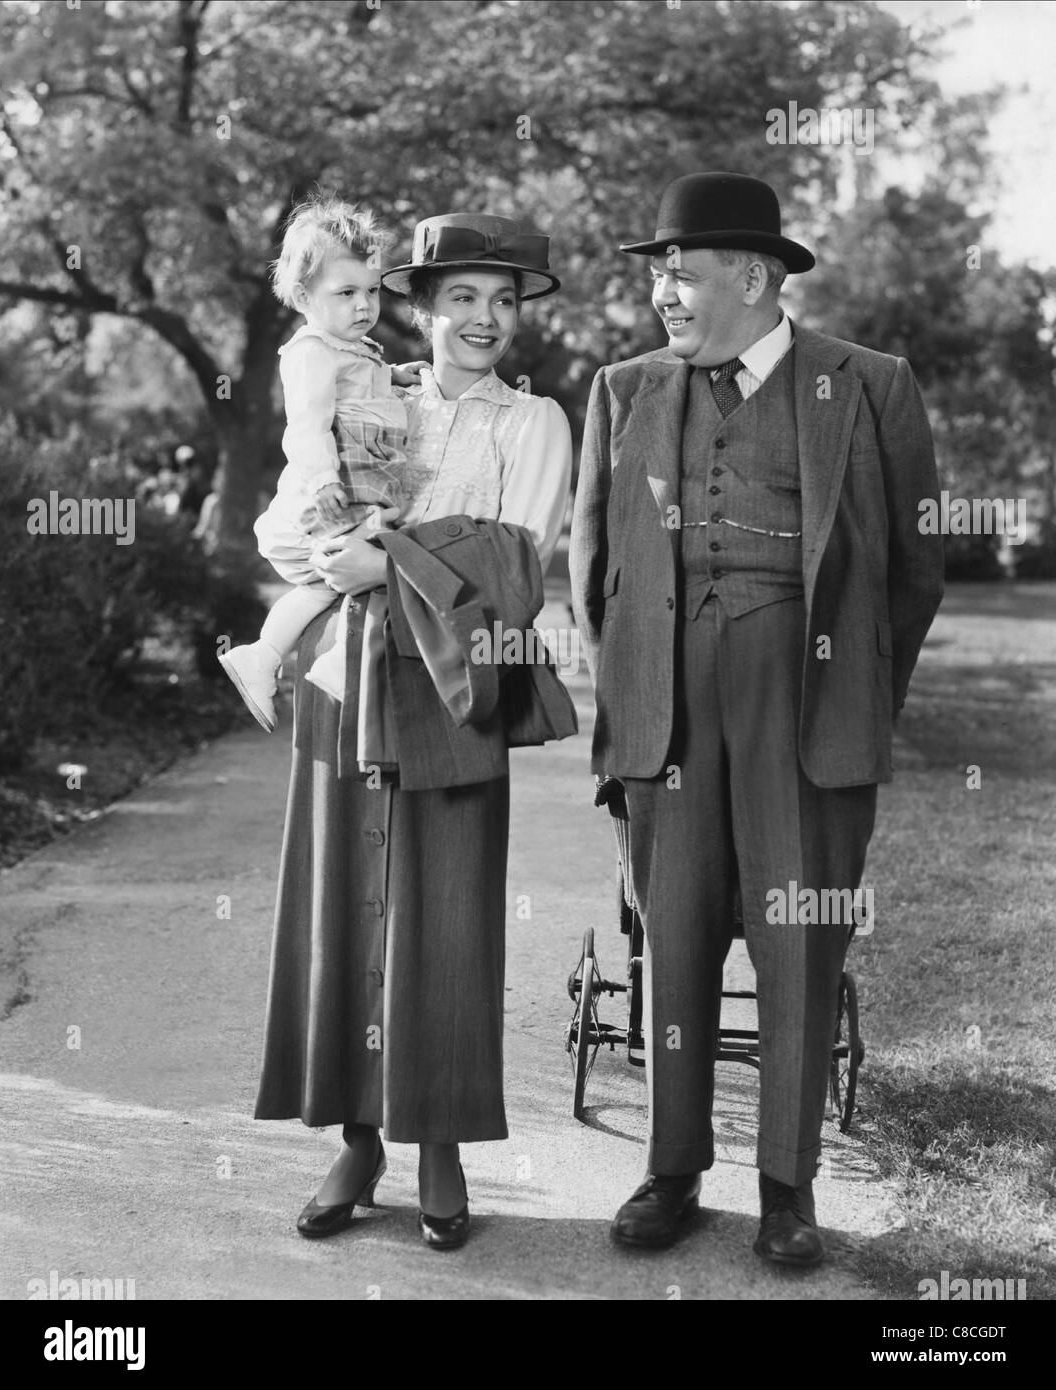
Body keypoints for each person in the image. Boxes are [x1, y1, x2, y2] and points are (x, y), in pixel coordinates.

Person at [569, 172, 944, 1266]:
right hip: (669, 713)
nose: (663, 298)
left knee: (798, 942)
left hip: (807, 707)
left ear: (757, 277)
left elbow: (917, 571)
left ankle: (787, 1189)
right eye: (657, 279)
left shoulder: (869, 387)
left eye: (679, 276)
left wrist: (858, 692)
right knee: (673, 938)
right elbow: (592, 573)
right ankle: (671, 1170)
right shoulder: (623, 388)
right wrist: (627, 697)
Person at [253, 213, 573, 1250]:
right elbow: (294, 523)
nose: (485, 319)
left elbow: (517, 569)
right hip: (349, 683)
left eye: (504, 300)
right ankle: (357, 1140)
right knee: (343, 912)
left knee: (447, 922)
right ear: (422, 305)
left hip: (455, 692)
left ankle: (438, 1145)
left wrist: (391, 562)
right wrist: (325, 557)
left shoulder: (536, 425)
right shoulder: (367, 390)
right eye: (463, 297)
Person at [219, 195, 424, 732]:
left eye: (372, 291)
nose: (364, 305)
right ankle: (340, 662)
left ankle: (264, 656)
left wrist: (395, 375)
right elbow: (307, 424)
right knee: (374, 569)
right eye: (347, 293)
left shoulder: (357, 350)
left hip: (364, 491)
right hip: (335, 493)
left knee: (335, 582)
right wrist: (323, 479)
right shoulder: (312, 351)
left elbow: (366, 391)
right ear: (306, 296)